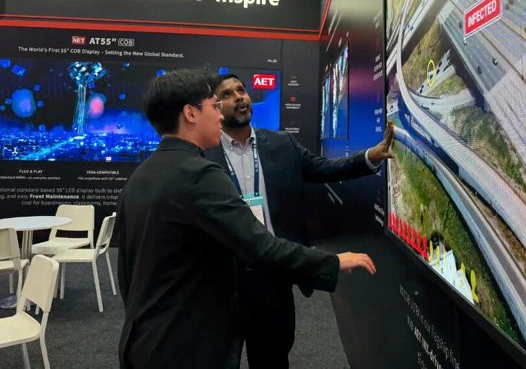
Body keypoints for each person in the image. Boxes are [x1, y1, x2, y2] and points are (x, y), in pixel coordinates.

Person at [116, 68, 376, 369]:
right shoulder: (199, 173)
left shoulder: (140, 176)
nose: (219, 114)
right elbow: (259, 244)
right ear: (190, 113)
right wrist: (332, 262)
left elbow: (127, 270)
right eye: (215, 104)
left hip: (146, 337)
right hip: (186, 339)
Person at [204, 73, 393, 369]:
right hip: (223, 280)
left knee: (272, 358)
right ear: (215, 107)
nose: (239, 97)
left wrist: (370, 156)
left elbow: (326, 168)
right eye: (227, 94)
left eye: (241, 90)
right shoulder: (204, 156)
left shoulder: (281, 144)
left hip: (273, 274)